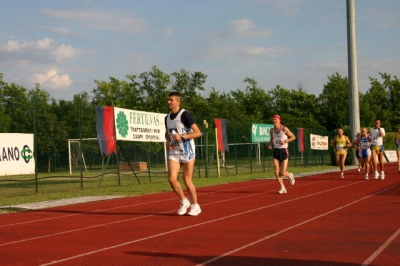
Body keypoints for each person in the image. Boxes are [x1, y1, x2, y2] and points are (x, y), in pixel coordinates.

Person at [165, 92, 203, 216]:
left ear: (178, 101)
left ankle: (195, 205)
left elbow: (198, 133)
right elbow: (168, 133)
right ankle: (183, 201)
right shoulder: (167, 117)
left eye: (171, 100)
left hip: (187, 151)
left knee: (187, 180)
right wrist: (168, 141)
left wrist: (181, 136)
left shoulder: (185, 115)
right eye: (168, 100)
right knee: (171, 178)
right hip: (174, 152)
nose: (168, 102)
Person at [268, 115, 296, 194]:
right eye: (273, 120)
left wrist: (285, 141)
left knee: (282, 172)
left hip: (284, 151)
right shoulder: (271, 130)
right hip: (276, 150)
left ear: (279, 121)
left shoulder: (284, 129)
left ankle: (290, 175)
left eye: (275, 120)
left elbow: (293, 137)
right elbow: (272, 138)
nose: (274, 121)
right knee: (276, 170)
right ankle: (282, 187)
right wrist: (270, 145)